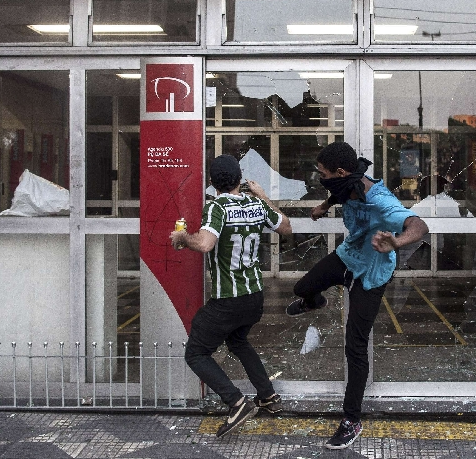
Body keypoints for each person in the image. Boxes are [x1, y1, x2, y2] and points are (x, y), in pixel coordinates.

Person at [286, 142, 428, 450]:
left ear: (339, 172)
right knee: (302, 288)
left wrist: (397, 243)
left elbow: (419, 225)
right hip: (348, 257)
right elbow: (339, 191)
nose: (319, 177)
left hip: (373, 272)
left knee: (355, 345)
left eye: (322, 173)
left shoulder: (381, 201)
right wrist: (325, 206)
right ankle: (315, 301)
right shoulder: (345, 183)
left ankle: (352, 420)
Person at [170, 154, 292, 438]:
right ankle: (268, 397)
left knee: (196, 352)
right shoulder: (256, 204)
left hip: (229, 300)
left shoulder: (217, 207)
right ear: (240, 180)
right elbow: (286, 227)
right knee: (238, 341)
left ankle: (236, 402)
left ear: (212, 182)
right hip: (254, 296)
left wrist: (183, 238)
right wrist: (263, 196)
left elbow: (204, 244)